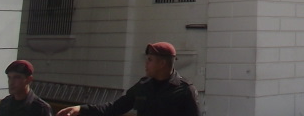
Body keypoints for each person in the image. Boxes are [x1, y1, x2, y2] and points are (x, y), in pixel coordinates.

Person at [55, 42, 199, 116]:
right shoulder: (143, 85)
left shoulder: (185, 90)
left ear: (162, 63)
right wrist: (80, 109)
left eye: (150, 60)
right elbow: (114, 108)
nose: (146, 64)